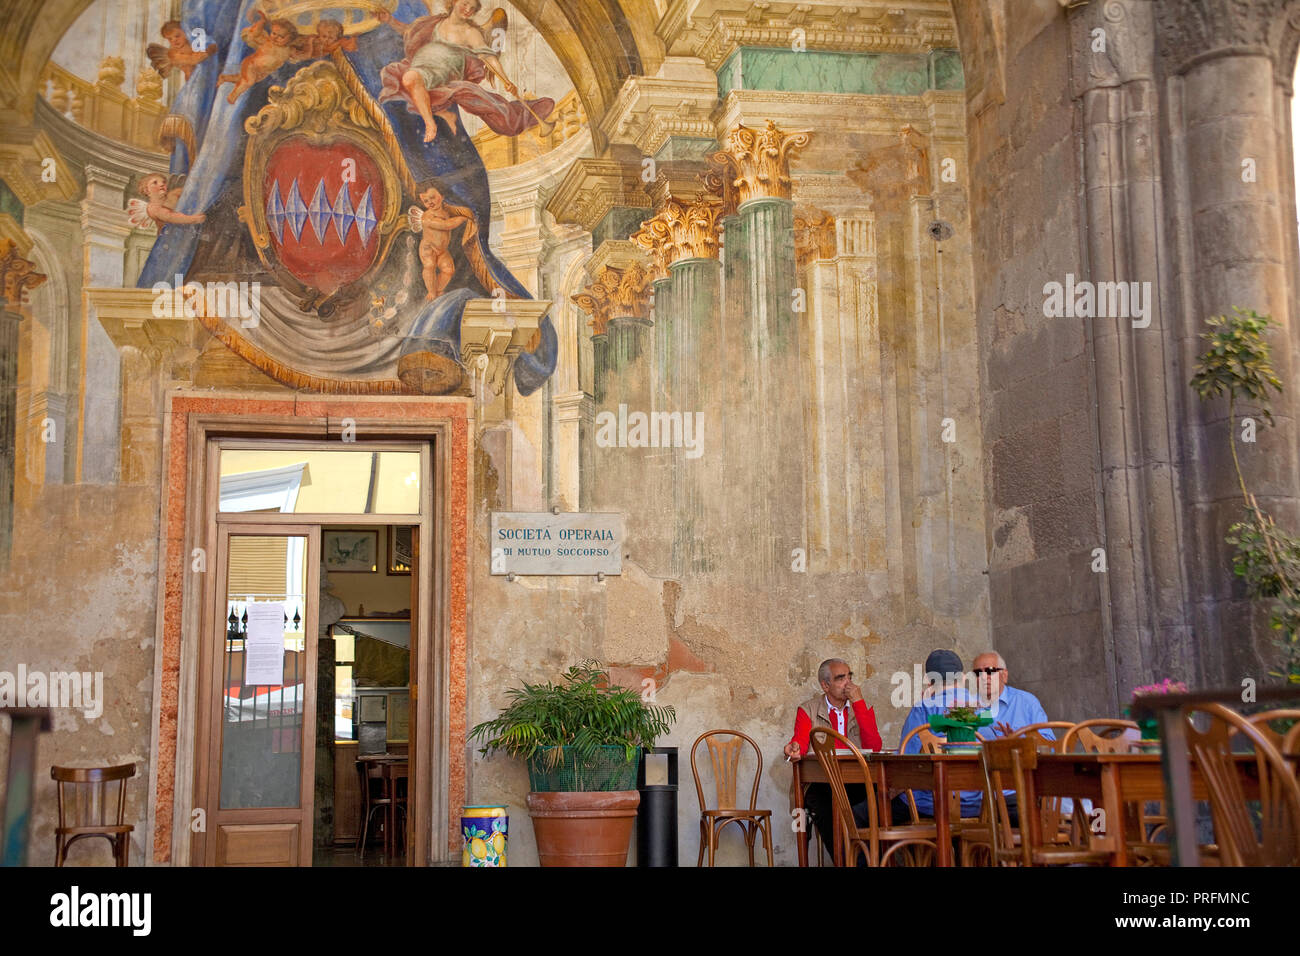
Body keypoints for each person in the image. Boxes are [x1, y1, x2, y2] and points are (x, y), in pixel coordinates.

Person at [377, 0, 554, 143]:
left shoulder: (471, 32)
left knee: (410, 78)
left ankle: (430, 123)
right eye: (465, 3)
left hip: (442, 71)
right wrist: (389, 20)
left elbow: (488, 57)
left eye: (473, 8)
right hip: (419, 65)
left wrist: (506, 80)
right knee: (403, 78)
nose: (468, 9)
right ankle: (437, 116)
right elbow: (408, 32)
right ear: (453, 2)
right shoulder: (436, 22)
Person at [784, 658, 882, 853]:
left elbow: (875, 746)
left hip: (856, 782)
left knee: (881, 799)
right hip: (823, 782)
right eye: (840, 678)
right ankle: (846, 861)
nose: (848, 683)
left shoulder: (860, 707)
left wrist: (859, 703)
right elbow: (800, 742)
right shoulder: (808, 709)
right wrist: (794, 747)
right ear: (825, 685)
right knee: (826, 807)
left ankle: (866, 858)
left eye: (849, 676)